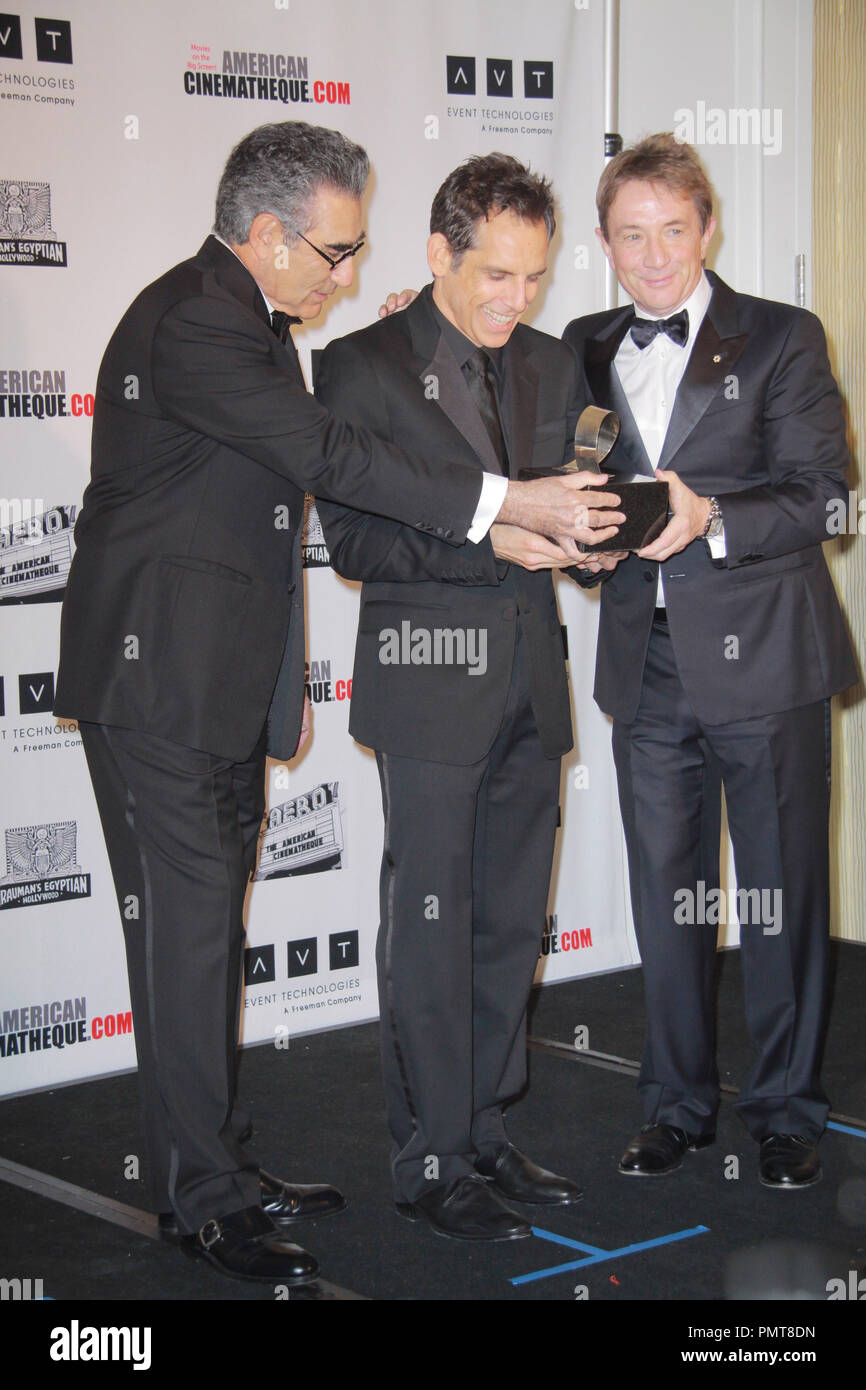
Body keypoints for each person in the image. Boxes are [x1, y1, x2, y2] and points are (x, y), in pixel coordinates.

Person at [53, 122, 608, 1287]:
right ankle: (199, 1199)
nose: (346, 276)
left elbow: (254, 518)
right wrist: (500, 504)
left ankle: (210, 1163)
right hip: (158, 687)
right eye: (334, 251)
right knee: (188, 945)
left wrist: (277, 683)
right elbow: (327, 460)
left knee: (202, 944)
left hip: (210, 683)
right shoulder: (202, 319)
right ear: (267, 235)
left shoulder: (250, 321)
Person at [315, 153, 624, 1241]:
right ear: (438, 252)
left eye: (532, 277)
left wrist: (589, 548)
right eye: (493, 273)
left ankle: (486, 1133)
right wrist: (492, 533)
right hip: (428, 692)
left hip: (531, 687)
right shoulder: (357, 368)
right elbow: (353, 538)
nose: (513, 299)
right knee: (432, 932)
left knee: (504, 931)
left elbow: (578, 515)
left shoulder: (549, 361)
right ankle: (430, 1155)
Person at [562, 133, 857, 1187]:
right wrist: (579, 543)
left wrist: (707, 518)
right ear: (603, 242)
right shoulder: (583, 344)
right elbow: (579, 489)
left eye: (670, 232)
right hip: (644, 669)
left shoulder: (779, 336)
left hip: (765, 663)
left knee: (778, 895)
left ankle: (782, 1109)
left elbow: (825, 495)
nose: (651, 258)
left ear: (707, 227)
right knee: (665, 895)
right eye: (629, 237)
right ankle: (675, 1102)